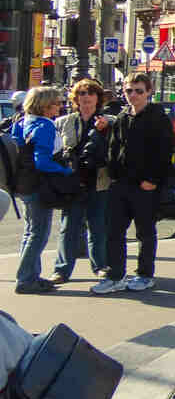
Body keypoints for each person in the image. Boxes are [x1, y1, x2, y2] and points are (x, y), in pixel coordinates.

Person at [94, 73, 173, 295]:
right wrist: (112, 174)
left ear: (149, 92)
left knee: (145, 232)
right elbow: (113, 147)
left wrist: (152, 180)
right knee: (114, 231)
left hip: (144, 185)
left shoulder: (158, 117)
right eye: (129, 90)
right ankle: (115, 275)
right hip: (120, 184)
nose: (133, 95)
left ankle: (145, 274)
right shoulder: (122, 117)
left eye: (139, 90)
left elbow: (164, 152)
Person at [14, 87, 77, 294]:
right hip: (39, 185)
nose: (60, 106)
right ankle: (26, 280)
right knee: (38, 234)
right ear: (45, 105)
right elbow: (41, 162)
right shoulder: (45, 126)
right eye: (57, 103)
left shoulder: (23, 121)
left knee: (30, 232)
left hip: (24, 184)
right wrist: (65, 171)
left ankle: (30, 276)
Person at [53, 78, 112, 282]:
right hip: (72, 182)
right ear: (76, 98)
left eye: (90, 93)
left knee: (98, 226)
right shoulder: (63, 122)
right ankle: (61, 270)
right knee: (69, 227)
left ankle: (100, 267)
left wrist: (106, 129)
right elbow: (56, 151)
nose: (86, 98)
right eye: (81, 94)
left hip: (99, 180)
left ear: (98, 98)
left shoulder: (109, 121)